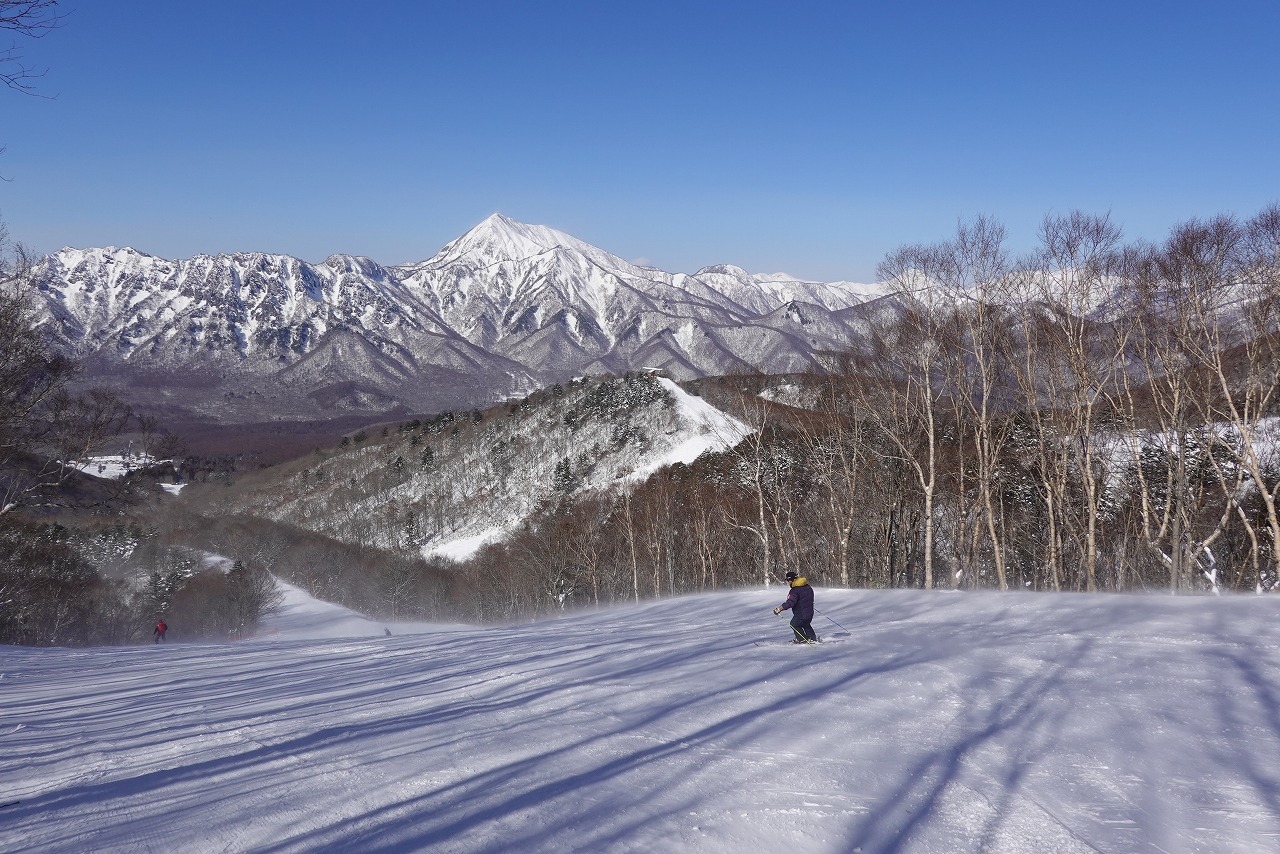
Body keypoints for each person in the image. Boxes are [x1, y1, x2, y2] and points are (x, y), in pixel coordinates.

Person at [773, 571, 817, 643]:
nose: (788, 583)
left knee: (794, 624)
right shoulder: (808, 587)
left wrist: (779, 609)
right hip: (810, 612)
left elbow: (790, 602)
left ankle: (802, 640)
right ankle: (813, 639)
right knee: (806, 624)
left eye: (788, 581)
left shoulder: (794, 590)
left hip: (801, 613)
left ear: (791, 580)